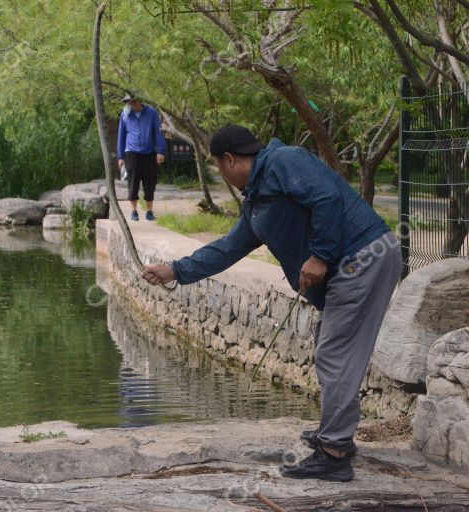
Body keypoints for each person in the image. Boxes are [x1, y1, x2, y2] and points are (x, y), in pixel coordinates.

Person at [141, 125, 402, 482]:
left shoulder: (283, 161)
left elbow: (327, 197)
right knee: (331, 344)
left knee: (336, 352)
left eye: (219, 166)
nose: (221, 173)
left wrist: (320, 256)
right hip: (353, 264)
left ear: (230, 159)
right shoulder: (257, 201)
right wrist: (175, 271)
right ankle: (337, 435)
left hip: (363, 257)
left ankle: (334, 453)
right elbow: (228, 248)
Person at [116, 93, 167, 221]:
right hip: (131, 152)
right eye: (128, 102)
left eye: (132, 101)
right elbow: (121, 136)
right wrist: (120, 156)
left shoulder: (152, 113)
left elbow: (158, 132)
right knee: (133, 182)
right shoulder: (125, 115)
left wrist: (161, 151)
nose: (130, 104)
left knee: (150, 182)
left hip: (149, 152)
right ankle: (134, 211)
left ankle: (149, 211)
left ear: (138, 101)